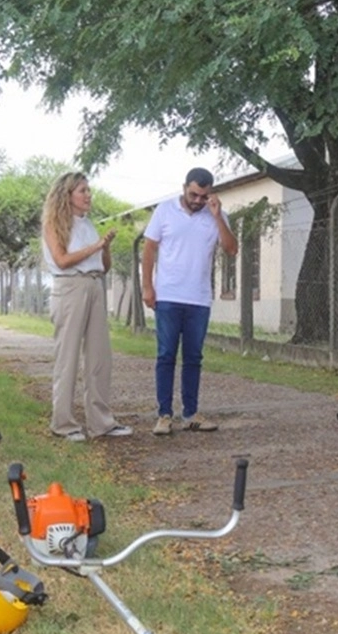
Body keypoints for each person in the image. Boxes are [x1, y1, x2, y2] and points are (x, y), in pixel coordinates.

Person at [142, 167, 237, 435]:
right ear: (184, 187)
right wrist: (147, 287)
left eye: (203, 196)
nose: (197, 200)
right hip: (168, 296)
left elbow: (231, 249)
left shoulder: (216, 214)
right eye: (193, 194)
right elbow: (149, 248)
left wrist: (217, 217)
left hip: (199, 299)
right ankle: (164, 415)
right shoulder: (164, 210)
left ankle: (191, 414)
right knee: (166, 355)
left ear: (210, 194)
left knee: (193, 357)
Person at [42, 172, 131, 441]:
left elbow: (104, 267)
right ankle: (64, 423)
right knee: (67, 357)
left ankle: (101, 422)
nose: (88, 195)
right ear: (67, 195)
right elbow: (62, 260)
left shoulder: (88, 224)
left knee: (99, 356)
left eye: (88, 190)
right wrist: (95, 246)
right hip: (70, 288)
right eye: (82, 190)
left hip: (94, 285)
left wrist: (105, 248)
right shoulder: (54, 223)